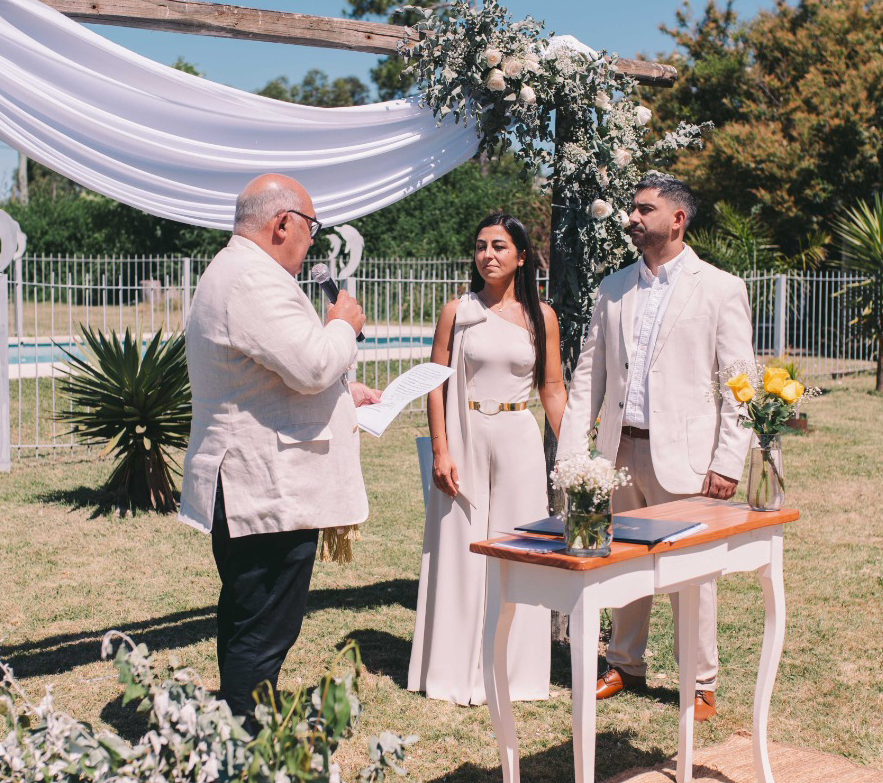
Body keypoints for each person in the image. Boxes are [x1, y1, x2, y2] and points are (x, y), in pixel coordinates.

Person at [178, 174, 380, 722]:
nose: (314, 239)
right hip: (264, 486)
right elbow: (313, 363)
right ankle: (244, 746)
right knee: (264, 627)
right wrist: (343, 326)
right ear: (282, 223)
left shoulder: (239, 271)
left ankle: (239, 724)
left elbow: (270, 374)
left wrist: (347, 392)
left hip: (257, 479)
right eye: (312, 227)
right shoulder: (253, 280)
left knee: (251, 617)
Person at [556, 175, 754, 721]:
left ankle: (700, 682)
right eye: (632, 209)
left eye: (646, 209)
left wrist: (726, 461)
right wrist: (574, 460)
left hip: (688, 460)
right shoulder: (612, 288)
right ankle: (623, 661)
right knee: (619, 565)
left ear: (677, 219)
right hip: (616, 457)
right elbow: (587, 378)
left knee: (694, 574)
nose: (633, 218)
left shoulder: (719, 288)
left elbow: (742, 383)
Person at [408, 213, 568, 706]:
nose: (488, 255)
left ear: (521, 255)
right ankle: (451, 670)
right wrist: (441, 448)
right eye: (480, 246)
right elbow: (435, 382)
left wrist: (578, 455)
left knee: (521, 550)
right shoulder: (457, 311)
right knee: (459, 545)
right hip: (466, 433)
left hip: (520, 436)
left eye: (499, 246)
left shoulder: (542, 316)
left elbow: (552, 388)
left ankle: (516, 675)